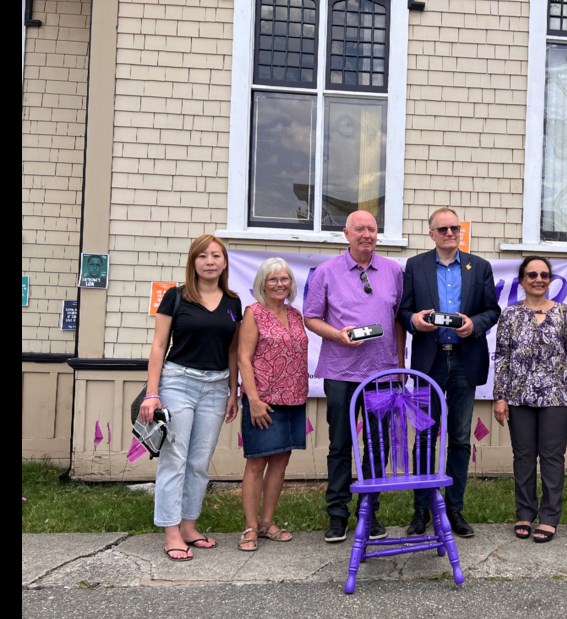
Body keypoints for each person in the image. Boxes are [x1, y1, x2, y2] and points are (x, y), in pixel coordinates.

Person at [138, 234, 242, 561]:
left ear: (224, 262)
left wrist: (232, 391)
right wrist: (152, 393)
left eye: (216, 256)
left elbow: (234, 349)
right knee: (175, 458)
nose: (210, 262)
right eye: (203, 256)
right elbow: (158, 346)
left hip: (216, 386)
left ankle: (189, 526)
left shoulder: (232, 302)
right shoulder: (176, 297)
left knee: (199, 462)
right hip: (177, 381)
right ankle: (170, 531)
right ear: (193, 262)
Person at [398, 207, 501, 538]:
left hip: (464, 360)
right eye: (442, 229)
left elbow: (492, 311)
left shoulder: (479, 267)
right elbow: (403, 310)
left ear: (461, 232)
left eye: (454, 228)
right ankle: (421, 510)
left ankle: (454, 509)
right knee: (425, 436)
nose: (449, 233)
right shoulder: (415, 266)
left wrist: (474, 325)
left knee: (459, 438)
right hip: (430, 361)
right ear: (431, 234)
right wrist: (414, 321)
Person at [304, 210, 405, 544]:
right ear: (346, 234)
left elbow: (399, 320)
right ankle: (337, 515)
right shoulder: (326, 272)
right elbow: (311, 317)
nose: (367, 234)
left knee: (378, 446)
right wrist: (337, 335)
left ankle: (369, 511)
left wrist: (400, 363)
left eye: (372, 229)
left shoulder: (393, 271)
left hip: (383, 374)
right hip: (341, 373)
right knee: (340, 444)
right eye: (360, 229)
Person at [493, 256, 567, 543]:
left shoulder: (563, 312)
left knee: (551, 457)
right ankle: (524, 512)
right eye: (532, 274)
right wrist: (500, 396)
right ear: (522, 280)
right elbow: (502, 358)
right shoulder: (509, 315)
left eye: (544, 275)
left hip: (558, 397)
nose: (538, 279)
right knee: (523, 457)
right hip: (519, 396)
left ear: (550, 280)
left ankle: (549, 517)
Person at [236, 258, 308, 552]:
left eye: (285, 279)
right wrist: (253, 400)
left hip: (294, 398)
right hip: (263, 401)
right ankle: (250, 527)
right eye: (273, 279)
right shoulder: (253, 313)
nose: (280, 284)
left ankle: (267, 523)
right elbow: (243, 358)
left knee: (280, 462)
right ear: (262, 284)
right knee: (257, 463)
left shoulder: (296, 315)